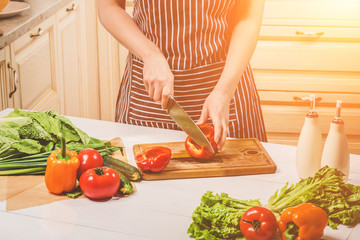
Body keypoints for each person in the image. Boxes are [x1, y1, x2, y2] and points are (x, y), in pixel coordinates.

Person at [97, 0, 267, 151]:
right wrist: (150, 54)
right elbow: (108, 6)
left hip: (225, 84)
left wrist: (224, 91)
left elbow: (248, 16)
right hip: (148, 96)